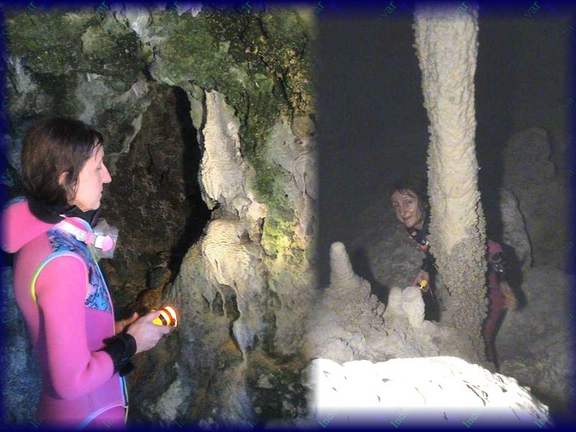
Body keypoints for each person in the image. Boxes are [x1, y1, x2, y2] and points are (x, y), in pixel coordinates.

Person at [2, 117, 172, 428]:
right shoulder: (62, 261)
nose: (107, 177)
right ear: (66, 180)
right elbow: (70, 383)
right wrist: (131, 343)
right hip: (86, 417)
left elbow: (63, 336)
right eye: (97, 168)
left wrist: (114, 331)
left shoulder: (42, 241)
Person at [389, 177, 517, 364]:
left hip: (485, 281)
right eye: (396, 205)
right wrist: (422, 284)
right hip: (461, 281)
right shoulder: (415, 229)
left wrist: (504, 283)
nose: (402, 210)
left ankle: (490, 377)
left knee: (480, 339)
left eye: (409, 201)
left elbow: (493, 249)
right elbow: (433, 254)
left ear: (423, 202)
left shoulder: (439, 224)